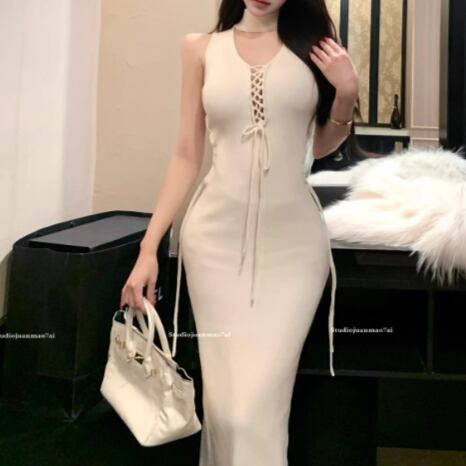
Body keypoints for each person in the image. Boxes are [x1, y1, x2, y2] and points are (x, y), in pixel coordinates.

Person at [120, 1, 359, 464]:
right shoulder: (200, 49)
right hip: (214, 247)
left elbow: (316, 147)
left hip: (294, 250)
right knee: (225, 410)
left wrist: (346, 94)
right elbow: (187, 154)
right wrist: (149, 248)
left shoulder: (313, 49)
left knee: (258, 412)